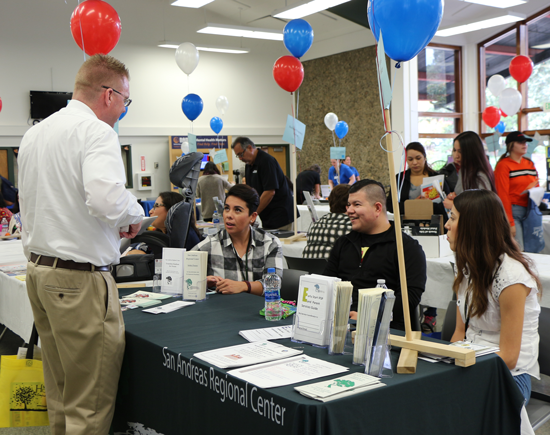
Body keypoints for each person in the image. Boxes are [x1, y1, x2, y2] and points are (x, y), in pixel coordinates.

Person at [18, 54, 144, 435]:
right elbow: (105, 200)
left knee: (60, 395)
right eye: (126, 99)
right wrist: (134, 214)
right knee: (89, 407)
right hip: (79, 283)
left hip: (40, 273)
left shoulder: (35, 133)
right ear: (108, 95)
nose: (124, 109)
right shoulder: (97, 133)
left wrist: (110, 224)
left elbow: (51, 203)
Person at [447, 190, 540, 421]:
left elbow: (508, 357)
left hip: (508, 376)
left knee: (459, 415)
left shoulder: (511, 278)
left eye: (453, 217)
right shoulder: (467, 268)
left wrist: (461, 363)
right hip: (471, 366)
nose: (447, 225)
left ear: (473, 226)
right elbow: (460, 333)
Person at [323, 179, 426, 331]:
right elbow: (328, 285)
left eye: (356, 204)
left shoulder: (406, 248)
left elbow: (409, 299)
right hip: (341, 328)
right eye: (349, 205)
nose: (349, 211)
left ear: (377, 208)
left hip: (387, 333)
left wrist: (368, 316)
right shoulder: (344, 243)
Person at [192, 184, 283, 295]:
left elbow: (274, 285)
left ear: (252, 217)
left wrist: (243, 286)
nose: (229, 215)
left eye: (237, 210)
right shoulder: (209, 245)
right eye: (227, 208)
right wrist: (202, 282)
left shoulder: (269, 244)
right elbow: (183, 279)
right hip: (222, 309)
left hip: (258, 309)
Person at [232, 137, 295, 230]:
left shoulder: (267, 161)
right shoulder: (249, 165)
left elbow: (270, 192)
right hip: (267, 217)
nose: (240, 158)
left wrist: (253, 214)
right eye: (238, 156)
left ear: (250, 148)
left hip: (281, 216)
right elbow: (251, 192)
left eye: (241, 154)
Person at [495, 131, 539, 252]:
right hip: (514, 212)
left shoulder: (530, 163)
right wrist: (510, 222)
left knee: (533, 248)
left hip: (531, 210)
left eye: (525, 142)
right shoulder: (503, 165)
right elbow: (502, 194)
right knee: (518, 250)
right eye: (520, 142)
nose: (524, 144)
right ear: (511, 145)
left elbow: (537, 184)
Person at [386, 142, 450, 217]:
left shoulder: (437, 178)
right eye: (410, 159)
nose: (415, 162)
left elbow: (447, 204)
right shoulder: (400, 178)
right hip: (406, 223)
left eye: (418, 158)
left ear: (425, 157)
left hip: (433, 223)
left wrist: (426, 205)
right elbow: (390, 205)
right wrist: (413, 204)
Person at [443, 131, 496, 210]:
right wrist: (456, 197)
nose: (456, 156)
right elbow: (467, 198)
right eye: (454, 150)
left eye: (460, 151)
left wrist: (454, 205)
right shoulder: (463, 170)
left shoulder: (479, 174)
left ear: (472, 152)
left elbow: (483, 206)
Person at [303, 184, 352, 259]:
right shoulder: (351, 226)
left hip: (309, 269)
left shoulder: (317, 224)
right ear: (349, 205)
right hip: (335, 270)